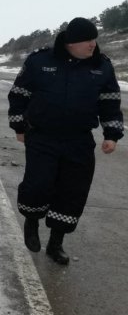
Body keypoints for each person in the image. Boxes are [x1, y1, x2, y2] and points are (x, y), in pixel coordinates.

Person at [8, 17, 123, 265]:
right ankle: (32, 222)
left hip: (79, 140)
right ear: (71, 42)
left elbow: (110, 101)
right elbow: (19, 94)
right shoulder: (40, 61)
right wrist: (19, 125)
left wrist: (111, 134)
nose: (93, 44)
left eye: (95, 39)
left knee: (72, 191)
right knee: (38, 184)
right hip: (42, 136)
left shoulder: (101, 66)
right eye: (88, 40)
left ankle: (56, 243)